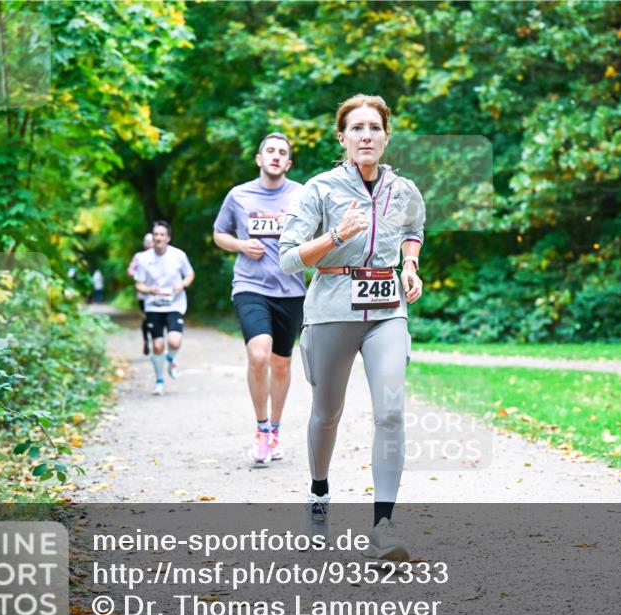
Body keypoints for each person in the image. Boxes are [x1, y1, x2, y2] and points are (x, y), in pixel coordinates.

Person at [279, 94, 424, 561]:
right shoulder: (319, 189)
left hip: (387, 311)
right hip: (332, 308)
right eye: (357, 128)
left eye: (375, 128)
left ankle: (383, 525)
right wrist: (337, 235)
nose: (366, 135)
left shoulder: (403, 189)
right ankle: (319, 495)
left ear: (386, 136)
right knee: (327, 413)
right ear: (341, 138)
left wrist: (411, 266)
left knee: (391, 413)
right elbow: (287, 259)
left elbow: (413, 228)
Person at [213, 133, 306, 466]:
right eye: (271, 151)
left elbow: (317, 234)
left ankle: (276, 432)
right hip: (250, 285)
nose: (276, 156)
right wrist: (241, 245)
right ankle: (260, 429)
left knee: (281, 364)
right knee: (258, 353)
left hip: (292, 290)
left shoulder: (301, 195)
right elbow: (219, 234)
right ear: (259, 158)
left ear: (289, 163)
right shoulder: (239, 195)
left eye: (283, 152)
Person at [133, 221, 195, 396]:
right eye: (155, 234)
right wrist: (149, 289)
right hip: (153, 306)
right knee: (158, 345)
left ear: (168, 238)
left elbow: (190, 274)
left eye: (161, 234)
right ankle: (159, 380)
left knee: (174, 341)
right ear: (152, 238)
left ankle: (171, 359)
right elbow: (139, 284)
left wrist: (181, 285)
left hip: (175, 304)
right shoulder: (144, 259)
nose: (158, 237)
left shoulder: (178, 255)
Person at [127, 233, 154, 355]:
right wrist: (139, 276)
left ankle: (157, 341)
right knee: (147, 318)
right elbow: (130, 271)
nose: (149, 244)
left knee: (158, 317)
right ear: (144, 244)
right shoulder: (139, 257)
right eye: (147, 242)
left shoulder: (161, 256)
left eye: (151, 242)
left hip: (158, 294)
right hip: (144, 295)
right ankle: (146, 341)